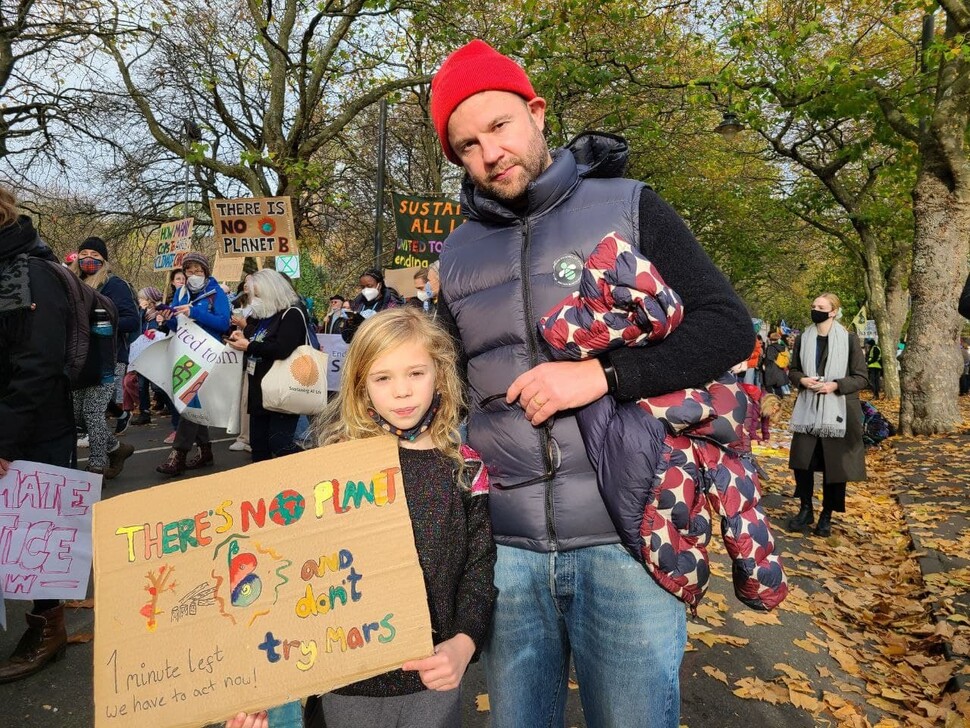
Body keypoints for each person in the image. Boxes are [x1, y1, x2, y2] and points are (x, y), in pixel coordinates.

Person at [429, 40, 752, 728]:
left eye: (499, 126)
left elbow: (728, 328)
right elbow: (441, 390)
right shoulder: (454, 254)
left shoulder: (631, 206)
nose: (489, 152)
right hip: (507, 553)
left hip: (625, 540)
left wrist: (602, 375)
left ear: (536, 114)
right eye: (466, 145)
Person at [228, 307, 496, 728]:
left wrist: (464, 642)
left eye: (416, 374)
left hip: (432, 680)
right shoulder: (327, 469)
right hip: (345, 687)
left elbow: (479, 570)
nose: (402, 392)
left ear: (440, 375)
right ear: (360, 386)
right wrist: (260, 690)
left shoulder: (464, 467)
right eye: (383, 378)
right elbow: (284, 576)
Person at [0, 189, 75, 683]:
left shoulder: (36, 273)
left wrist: (4, 436)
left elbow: (39, 363)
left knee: (37, 534)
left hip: (33, 429)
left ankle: (48, 627)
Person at [786, 293, 868, 537]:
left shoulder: (850, 340)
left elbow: (861, 377)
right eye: (813, 306)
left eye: (820, 307)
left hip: (838, 412)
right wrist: (802, 379)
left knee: (835, 468)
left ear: (833, 312)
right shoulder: (804, 338)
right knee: (802, 463)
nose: (815, 310)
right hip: (808, 409)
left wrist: (835, 385)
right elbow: (793, 370)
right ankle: (806, 508)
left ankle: (827, 515)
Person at [155, 252, 231, 476]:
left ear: (206, 272)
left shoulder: (215, 293)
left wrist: (194, 312)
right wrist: (168, 317)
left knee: (189, 401)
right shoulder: (181, 292)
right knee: (193, 402)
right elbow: (179, 326)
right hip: (185, 352)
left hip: (207, 353)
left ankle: (178, 454)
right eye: (189, 271)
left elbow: (223, 323)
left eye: (198, 270)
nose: (194, 275)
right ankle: (206, 450)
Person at [69, 237, 137, 478]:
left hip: (109, 357)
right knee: (76, 413)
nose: (89, 258)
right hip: (80, 358)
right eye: (84, 253)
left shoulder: (114, 285)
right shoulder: (72, 283)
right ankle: (116, 448)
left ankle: (97, 464)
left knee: (93, 412)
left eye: (95, 255)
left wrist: (100, 320)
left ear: (104, 260)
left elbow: (132, 320)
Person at [226, 269, 306, 461]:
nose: (254, 299)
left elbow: (282, 349)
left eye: (257, 295)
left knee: (280, 444)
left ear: (272, 291)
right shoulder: (260, 316)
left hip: (281, 388)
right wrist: (241, 337)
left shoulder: (291, 314)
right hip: (258, 390)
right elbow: (256, 337)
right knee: (258, 445)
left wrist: (249, 345)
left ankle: (308, 471)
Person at [341, 267, 404, 342]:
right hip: (361, 347)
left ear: (379, 285)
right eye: (362, 287)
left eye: (369, 286)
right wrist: (350, 324)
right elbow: (347, 338)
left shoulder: (392, 305)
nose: (365, 289)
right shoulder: (357, 304)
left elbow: (394, 332)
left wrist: (367, 325)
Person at [762, 332, 788, 396]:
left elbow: (769, 358)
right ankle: (779, 401)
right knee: (777, 387)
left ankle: (771, 401)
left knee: (768, 387)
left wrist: (764, 364)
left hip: (771, 368)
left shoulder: (770, 347)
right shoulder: (782, 347)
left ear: (771, 339)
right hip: (779, 368)